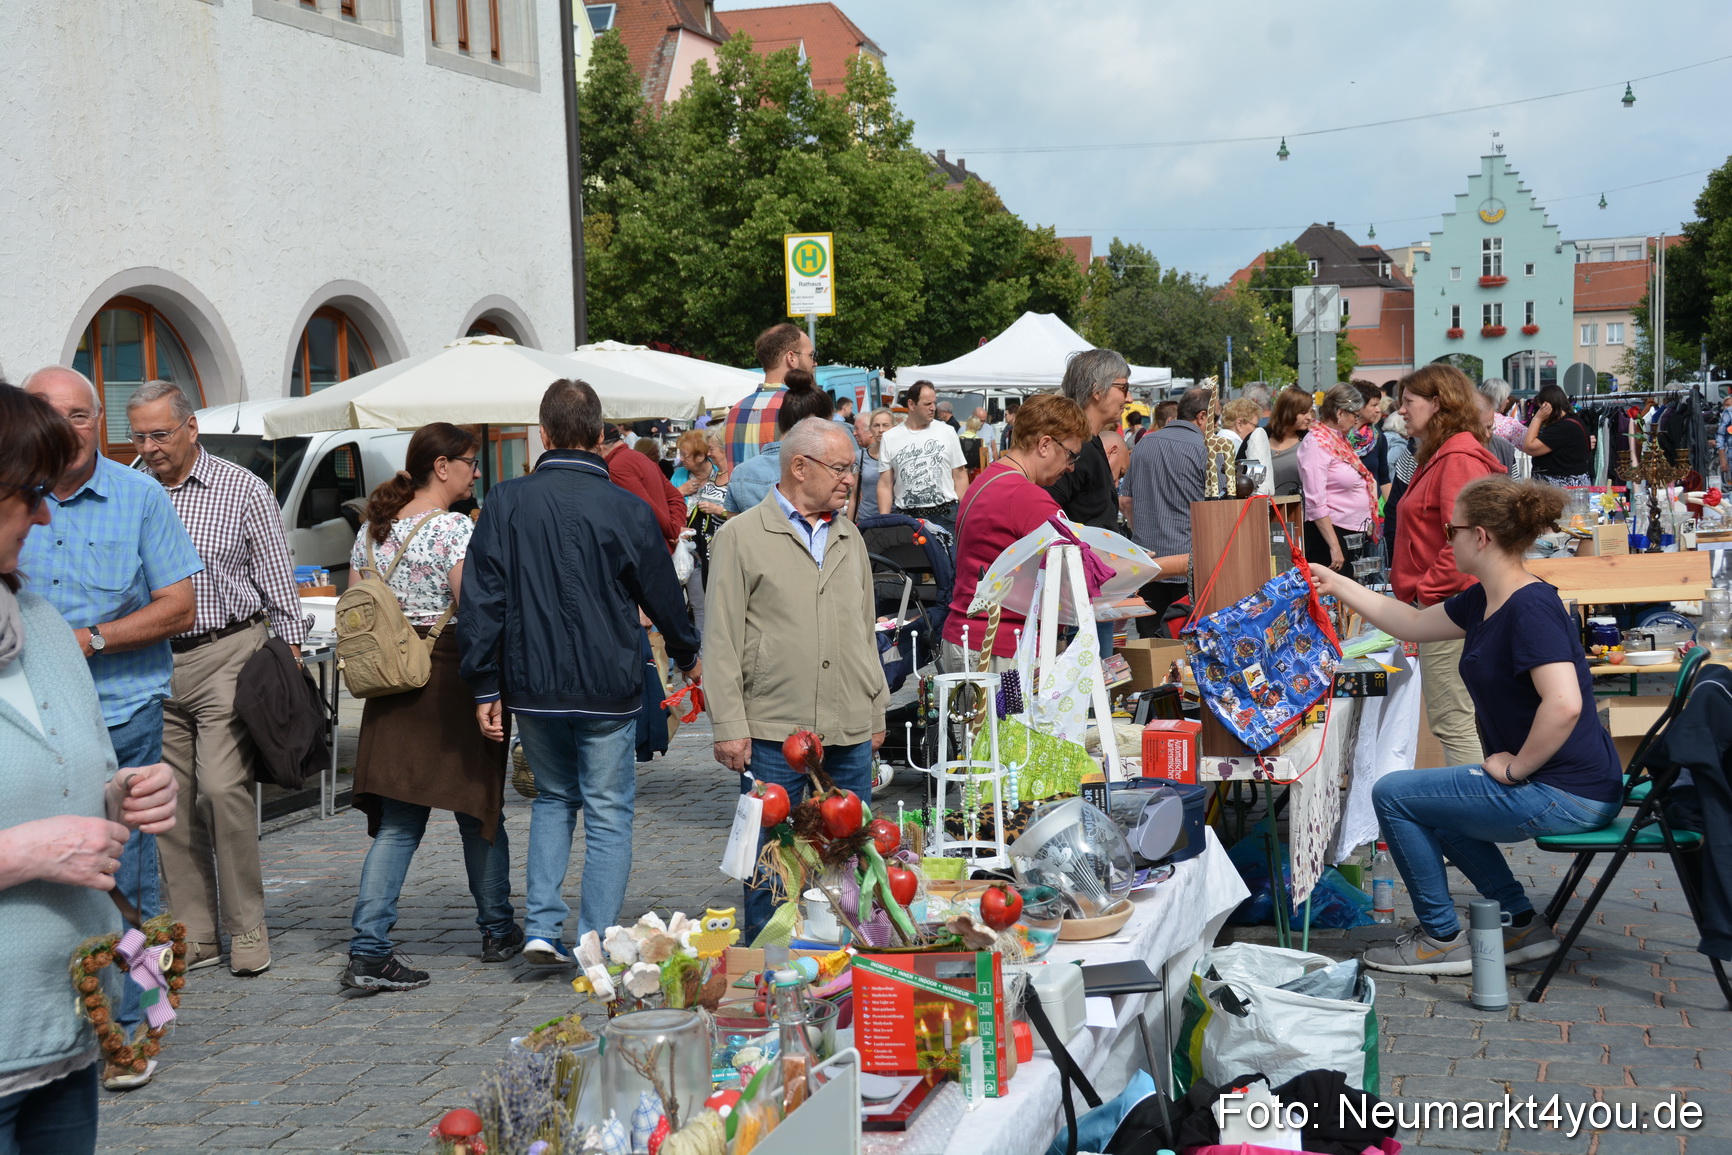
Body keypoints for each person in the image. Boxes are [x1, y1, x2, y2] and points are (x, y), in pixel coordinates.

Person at [1313, 477, 1620, 974]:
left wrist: (1518, 768)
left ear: (1480, 537)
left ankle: (1440, 937)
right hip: (1561, 783)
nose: (1445, 542)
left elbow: (1564, 704)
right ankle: (1521, 923)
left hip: (1566, 792)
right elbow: (1412, 624)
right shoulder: (1485, 599)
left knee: (1393, 794)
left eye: (1450, 531)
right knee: (1425, 800)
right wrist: (1337, 583)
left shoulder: (1529, 605)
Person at [460, 380, 700, 965]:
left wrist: (484, 681)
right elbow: (662, 592)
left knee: (553, 798)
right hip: (607, 680)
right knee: (608, 811)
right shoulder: (626, 507)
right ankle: (594, 939)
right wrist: (688, 652)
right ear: (598, 435)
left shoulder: (505, 500)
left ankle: (543, 929)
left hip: (532, 680)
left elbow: (482, 597)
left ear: (544, 434)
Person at [0, 385, 179, 1155]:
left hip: (65, 1032)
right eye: (31, 494)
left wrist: (123, 793)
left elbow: (80, 777)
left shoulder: (41, 625)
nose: (46, 518)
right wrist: (21, 853)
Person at [131, 381, 306, 978]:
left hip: (228, 651)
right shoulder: (131, 490)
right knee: (170, 801)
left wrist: (290, 660)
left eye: (160, 434)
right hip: (154, 663)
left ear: (191, 428)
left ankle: (247, 924)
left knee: (221, 788)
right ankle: (197, 933)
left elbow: (278, 580)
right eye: (139, 436)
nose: (149, 447)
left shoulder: (243, 488)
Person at [338, 424, 519, 992]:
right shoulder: (452, 529)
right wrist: (493, 684)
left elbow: (356, 612)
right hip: (448, 678)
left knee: (398, 825)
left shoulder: (370, 533)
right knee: (479, 810)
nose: (476, 473)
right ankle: (497, 930)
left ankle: (369, 948)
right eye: (470, 462)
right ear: (442, 466)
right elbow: (476, 611)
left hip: (390, 684)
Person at [704, 417, 888, 940]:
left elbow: (864, 628)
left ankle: (847, 960)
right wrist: (729, 726)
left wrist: (875, 708)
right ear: (799, 467)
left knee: (848, 859)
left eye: (852, 468)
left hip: (848, 726)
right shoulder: (740, 536)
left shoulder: (849, 535)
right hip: (772, 730)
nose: (850, 479)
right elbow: (720, 638)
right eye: (840, 468)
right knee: (771, 863)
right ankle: (770, 963)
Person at [1391, 363, 1505, 768]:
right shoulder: (1443, 454)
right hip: (1448, 606)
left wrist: (1427, 593)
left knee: (1453, 721)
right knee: (1461, 719)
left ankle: (1470, 807)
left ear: (1437, 403)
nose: (1401, 410)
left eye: (1409, 401)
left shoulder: (1456, 457)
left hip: (1449, 607)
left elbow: (1468, 540)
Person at [1129, 387, 1211, 635]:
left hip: (1148, 563)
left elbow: (1125, 501)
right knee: (1189, 643)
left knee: (1150, 644)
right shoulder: (1205, 448)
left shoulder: (1144, 443)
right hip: (1189, 564)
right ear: (1202, 416)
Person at [1297, 384, 1381, 572]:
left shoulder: (1336, 439)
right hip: (1331, 534)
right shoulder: (1316, 443)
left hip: (1350, 531)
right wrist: (1334, 546)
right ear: (1340, 413)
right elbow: (1315, 500)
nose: (1356, 421)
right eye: (1355, 415)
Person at [725, 371, 835, 514]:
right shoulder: (821, 471)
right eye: (829, 426)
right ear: (814, 423)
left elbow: (733, 526)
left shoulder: (741, 473)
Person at [1048, 349, 1131, 533]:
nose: (1129, 398)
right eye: (1123, 388)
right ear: (1097, 390)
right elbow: (1047, 515)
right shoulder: (1074, 447)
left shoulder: (1088, 443)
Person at [877, 380, 969, 533]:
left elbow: (959, 476)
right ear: (911, 404)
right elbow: (885, 485)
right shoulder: (890, 437)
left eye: (934, 403)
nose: (933, 408)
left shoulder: (947, 432)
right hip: (907, 518)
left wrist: (964, 514)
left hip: (946, 515)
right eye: (927, 404)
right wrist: (885, 522)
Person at [723, 323, 816, 467]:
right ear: (791, 358)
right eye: (811, 355)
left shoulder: (734, 412)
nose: (815, 363)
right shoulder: (801, 407)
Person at [670, 430, 730, 630]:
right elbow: (664, 503)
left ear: (701, 456)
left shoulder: (720, 473)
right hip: (684, 547)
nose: (681, 459)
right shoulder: (679, 475)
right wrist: (680, 492)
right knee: (684, 600)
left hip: (713, 548)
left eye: (685, 455)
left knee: (707, 602)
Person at [601, 425, 686, 552]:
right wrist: (675, 528)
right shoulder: (641, 458)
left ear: (600, 446)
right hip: (660, 548)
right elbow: (675, 497)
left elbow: (645, 507)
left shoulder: (617, 465)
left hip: (646, 550)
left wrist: (674, 531)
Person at [1522, 384, 1593, 487]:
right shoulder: (1574, 421)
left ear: (1547, 406)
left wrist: (1537, 418)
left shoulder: (1563, 427)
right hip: (1570, 485)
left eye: (1540, 408)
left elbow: (1529, 447)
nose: (1538, 411)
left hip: (1560, 488)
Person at [1266, 387, 1314, 498]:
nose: (1309, 417)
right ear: (1287, 411)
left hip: (1297, 508)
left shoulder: (1310, 441)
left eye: (1310, 412)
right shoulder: (1259, 437)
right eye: (1303, 413)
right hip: (1263, 507)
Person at [850, 408, 895, 521]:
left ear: (894, 427)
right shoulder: (859, 457)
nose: (881, 430)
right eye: (876, 425)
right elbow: (854, 495)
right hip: (866, 519)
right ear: (870, 429)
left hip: (895, 518)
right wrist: (849, 525)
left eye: (885, 425)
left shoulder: (900, 456)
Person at [1351, 381, 1391, 501]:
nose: (1378, 410)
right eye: (1374, 405)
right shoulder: (1338, 439)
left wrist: (1392, 509)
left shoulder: (1378, 438)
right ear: (1358, 406)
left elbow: (1384, 479)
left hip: (1371, 508)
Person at [1474, 390, 1519, 474]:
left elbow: (1514, 481)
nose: (1487, 435)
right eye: (1479, 429)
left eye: (1490, 427)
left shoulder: (1505, 449)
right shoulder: (1456, 452)